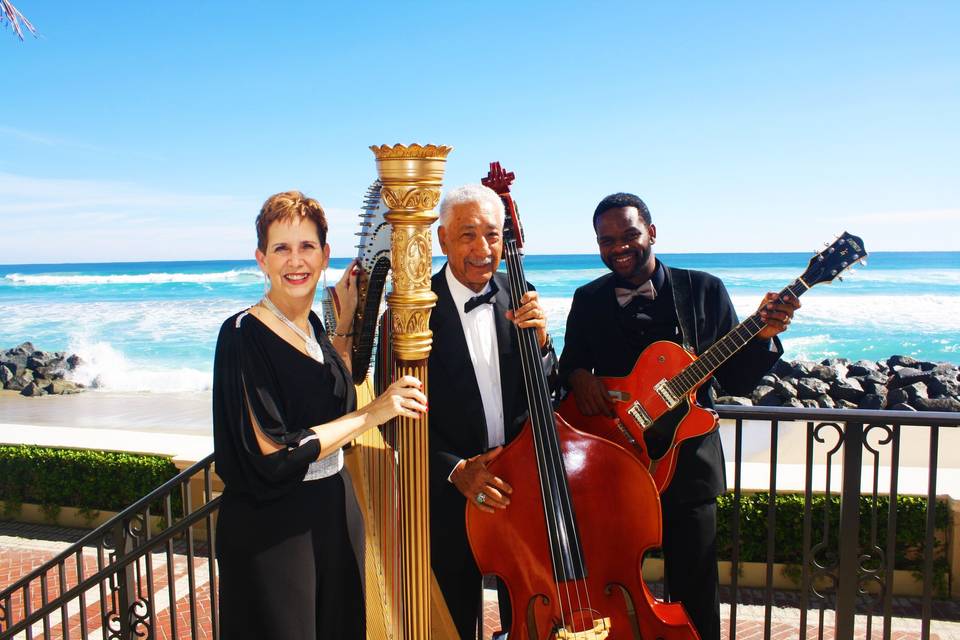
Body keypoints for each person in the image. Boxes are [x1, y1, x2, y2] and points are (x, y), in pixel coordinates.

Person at [558, 192, 800, 640]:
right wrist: (577, 377)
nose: (619, 246)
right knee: (609, 580)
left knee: (694, 590)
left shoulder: (704, 290)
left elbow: (737, 381)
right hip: (615, 464)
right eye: (606, 240)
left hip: (688, 469)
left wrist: (764, 336)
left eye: (629, 234)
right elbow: (568, 364)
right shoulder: (587, 298)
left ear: (652, 232)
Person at [213, 191, 427, 640]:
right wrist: (376, 412)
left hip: (333, 506)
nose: (296, 260)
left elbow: (329, 395)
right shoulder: (241, 335)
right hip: (273, 526)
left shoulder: (312, 327)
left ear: (325, 254)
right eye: (282, 248)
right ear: (261, 259)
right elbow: (274, 453)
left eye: (307, 246)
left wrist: (346, 323)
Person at [427, 184, 556, 640]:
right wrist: (454, 469)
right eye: (467, 235)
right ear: (442, 240)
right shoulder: (412, 311)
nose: (483, 249)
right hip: (452, 497)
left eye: (493, 235)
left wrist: (541, 344)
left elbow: (547, 389)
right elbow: (400, 412)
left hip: (519, 487)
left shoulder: (519, 291)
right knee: (453, 619)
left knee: (528, 618)